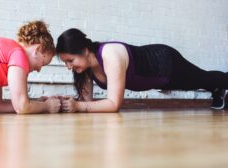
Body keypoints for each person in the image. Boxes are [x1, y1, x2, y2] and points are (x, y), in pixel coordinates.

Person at [56, 28, 228, 113]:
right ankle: (218, 90)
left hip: (165, 63)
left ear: (85, 51)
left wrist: (79, 106)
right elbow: (87, 101)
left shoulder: (110, 55)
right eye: (66, 63)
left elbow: (113, 104)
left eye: (70, 60)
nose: (69, 67)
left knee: (202, 79)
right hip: (159, 73)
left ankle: (220, 84)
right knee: (200, 82)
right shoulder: (84, 68)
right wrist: (63, 102)